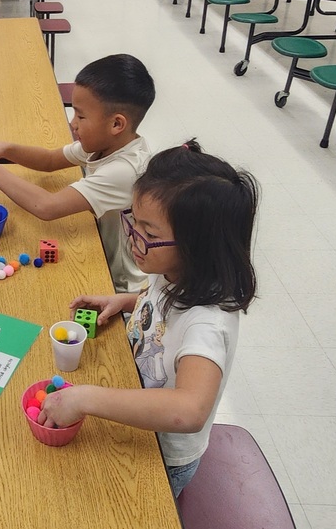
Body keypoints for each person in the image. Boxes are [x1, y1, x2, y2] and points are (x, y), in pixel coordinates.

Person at [38, 140, 259, 497]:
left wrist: (86, 398)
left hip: (162, 456)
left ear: (196, 247)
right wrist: (124, 301)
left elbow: (188, 410)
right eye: (134, 221)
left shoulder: (207, 324)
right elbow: (156, 301)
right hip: (135, 405)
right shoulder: (172, 268)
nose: (133, 236)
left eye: (150, 233)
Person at [0, 54, 155, 293]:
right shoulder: (107, 144)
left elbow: (47, 207)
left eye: (81, 116)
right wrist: (6, 149)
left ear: (117, 124)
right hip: (100, 248)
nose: (73, 124)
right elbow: (50, 159)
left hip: (117, 282)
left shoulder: (124, 170)